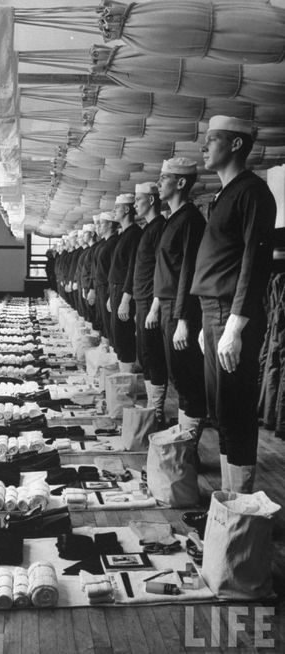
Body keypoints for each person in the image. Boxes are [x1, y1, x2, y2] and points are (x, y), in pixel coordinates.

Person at [191, 115, 276, 493]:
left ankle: (241, 503)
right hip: (214, 311)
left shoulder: (252, 192)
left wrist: (234, 327)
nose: (204, 147)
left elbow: (253, 262)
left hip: (230, 312)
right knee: (220, 409)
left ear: (236, 145)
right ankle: (229, 497)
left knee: (236, 408)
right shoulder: (224, 195)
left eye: (212, 140)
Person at [148, 158, 207, 452]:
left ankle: (188, 449)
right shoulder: (174, 219)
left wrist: (183, 319)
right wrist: (158, 306)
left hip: (181, 310)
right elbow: (167, 270)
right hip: (169, 306)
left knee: (187, 377)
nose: (159, 184)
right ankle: (184, 448)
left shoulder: (191, 220)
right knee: (177, 376)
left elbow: (188, 271)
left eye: (164, 178)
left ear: (181, 183)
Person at [133, 182, 168, 425]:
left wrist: (155, 305)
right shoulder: (149, 228)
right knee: (145, 354)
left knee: (153, 355)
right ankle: (151, 407)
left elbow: (161, 269)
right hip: (142, 300)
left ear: (152, 200)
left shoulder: (159, 228)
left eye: (139, 199)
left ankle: (156, 411)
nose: (135, 204)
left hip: (150, 300)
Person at [107, 193, 142, 372]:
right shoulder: (124, 235)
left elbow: (132, 268)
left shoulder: (135, 234)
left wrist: (125, 299)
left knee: (124, 336)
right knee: (117, 335)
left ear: (127, 209)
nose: (114, 211)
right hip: (116, 291)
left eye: (117, 208)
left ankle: (126, 382)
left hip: (124, 292)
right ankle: (122, 375)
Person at [92, 212, 120, 343]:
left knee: (109, 323)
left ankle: (112, 353)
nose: (98, 227)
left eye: (101, 223)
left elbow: (113, 270)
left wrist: (110, 293)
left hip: (107, 288)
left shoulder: (114, 242)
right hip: (100, 287)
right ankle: (106, 349)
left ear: (110, 225)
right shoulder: (105, 243)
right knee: (103, 320)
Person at [76, 223, 97, 320]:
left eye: (85, 233)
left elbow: (93, 271)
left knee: (92, 315)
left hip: (90, 287)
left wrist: (90, 288)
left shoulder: (94, 249)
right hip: (85, 286)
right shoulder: (89, 250)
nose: (83, 236)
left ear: (92, 234)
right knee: (87, 314)